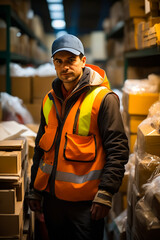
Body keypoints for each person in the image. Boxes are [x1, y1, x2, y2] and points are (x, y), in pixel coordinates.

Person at [28, 34, 129, 240]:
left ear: (83, 61)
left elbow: (117, 149)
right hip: (52, 201)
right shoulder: (49, 99)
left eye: (71, 60)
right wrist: (35, 189)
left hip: (86, 205)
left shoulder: (103, 99)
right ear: (54, 64)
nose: (65, 67)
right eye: (59, 61)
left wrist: (106, 193)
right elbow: (41, 147)